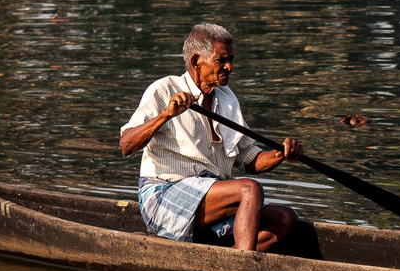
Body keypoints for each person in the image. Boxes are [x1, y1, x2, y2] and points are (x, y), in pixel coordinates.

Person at [119, 23, 303, 252]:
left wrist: (281, 154)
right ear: (197, 61)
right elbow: (126, 145)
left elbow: (250, 160)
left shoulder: (227, 99)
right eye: (221, 60)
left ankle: (232, 258)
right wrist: (166, 115)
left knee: (286, 218)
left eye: (231, 60)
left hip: (211, 199)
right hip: (164, 198)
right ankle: (242, 267)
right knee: (250, 190)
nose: (229, 67)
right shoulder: (164, 89)